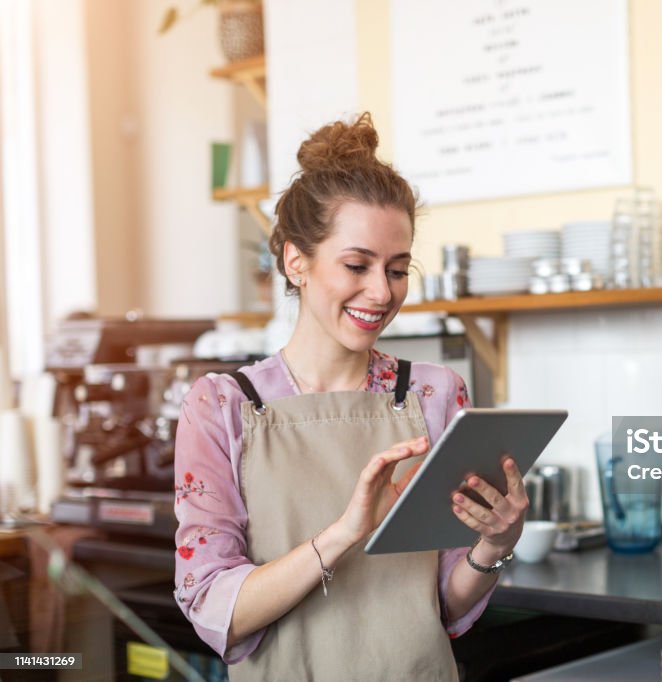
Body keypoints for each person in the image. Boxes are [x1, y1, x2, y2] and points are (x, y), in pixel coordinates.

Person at [172, 112, 528, 681]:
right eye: (357, 265)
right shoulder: (222, 406)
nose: (381, 292)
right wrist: (345, 532)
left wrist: (496, 544)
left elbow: (443, 607)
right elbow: (217, 609)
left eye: (397, 269)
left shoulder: (434, 392)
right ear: (296, 261)